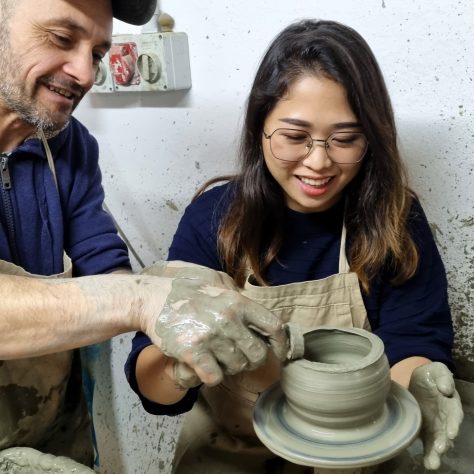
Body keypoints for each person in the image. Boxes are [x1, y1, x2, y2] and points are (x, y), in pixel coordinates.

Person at [126, 19, 464, 474]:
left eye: (345, 139)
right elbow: (150, 380)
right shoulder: (214, 219)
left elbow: (412, 342)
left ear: (371, 137)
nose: (319, 161)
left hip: (357, 448)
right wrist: (175, 370)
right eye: (294, 137)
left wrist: (419, 381)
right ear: (259, 127)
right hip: (232, 450)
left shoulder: (394, 220)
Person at [0, 0, 288, 469]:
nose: (85, 73)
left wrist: (172, 297)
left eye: (97, 52)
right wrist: (140, 301)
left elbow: (102, 260)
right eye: (61, 38)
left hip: (49, 429)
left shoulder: (69, 146)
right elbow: (124, 297)